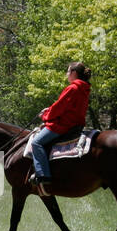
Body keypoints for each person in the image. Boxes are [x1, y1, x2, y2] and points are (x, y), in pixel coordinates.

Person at [29, 62, 91, 197]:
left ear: (74, 73)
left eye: (68, 72)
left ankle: (43, 175)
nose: (67, 74)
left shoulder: (72, 88)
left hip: (64, 125)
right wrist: (49, 109)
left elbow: (60, 108)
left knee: (36, 142)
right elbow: (63, 106)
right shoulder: (84, 88)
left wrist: (45, 116)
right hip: (76, 124)